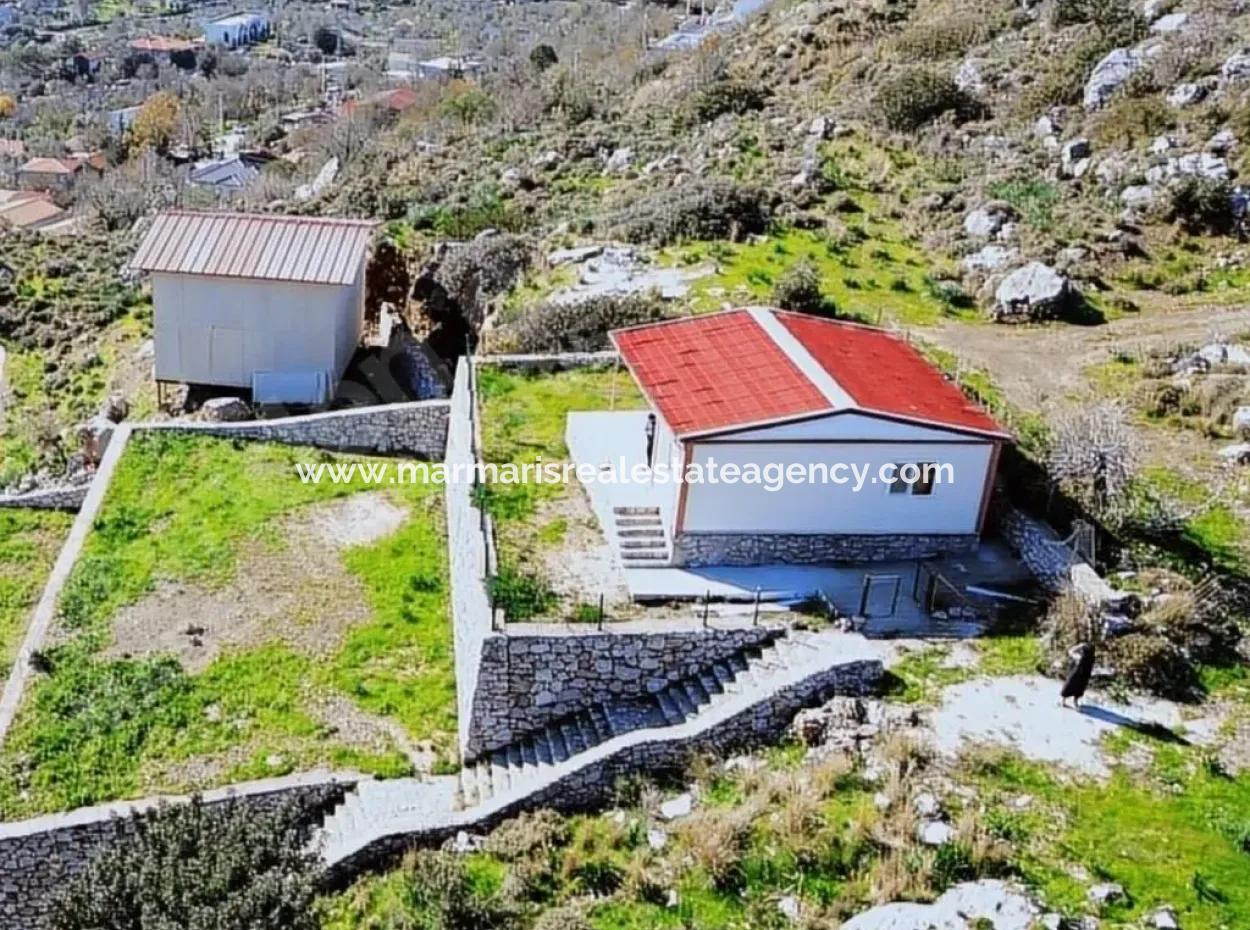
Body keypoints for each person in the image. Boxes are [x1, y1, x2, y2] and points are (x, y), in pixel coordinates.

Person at [1060, 642, 1096, 709]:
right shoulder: (1091, 658)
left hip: (1078, 674)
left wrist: (1079, 646)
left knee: (1070, 686)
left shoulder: (1080, 657)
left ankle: (1065, 701)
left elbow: (1071, 651)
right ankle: (1073, 702)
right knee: (1078, 688)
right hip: (1083, 675)